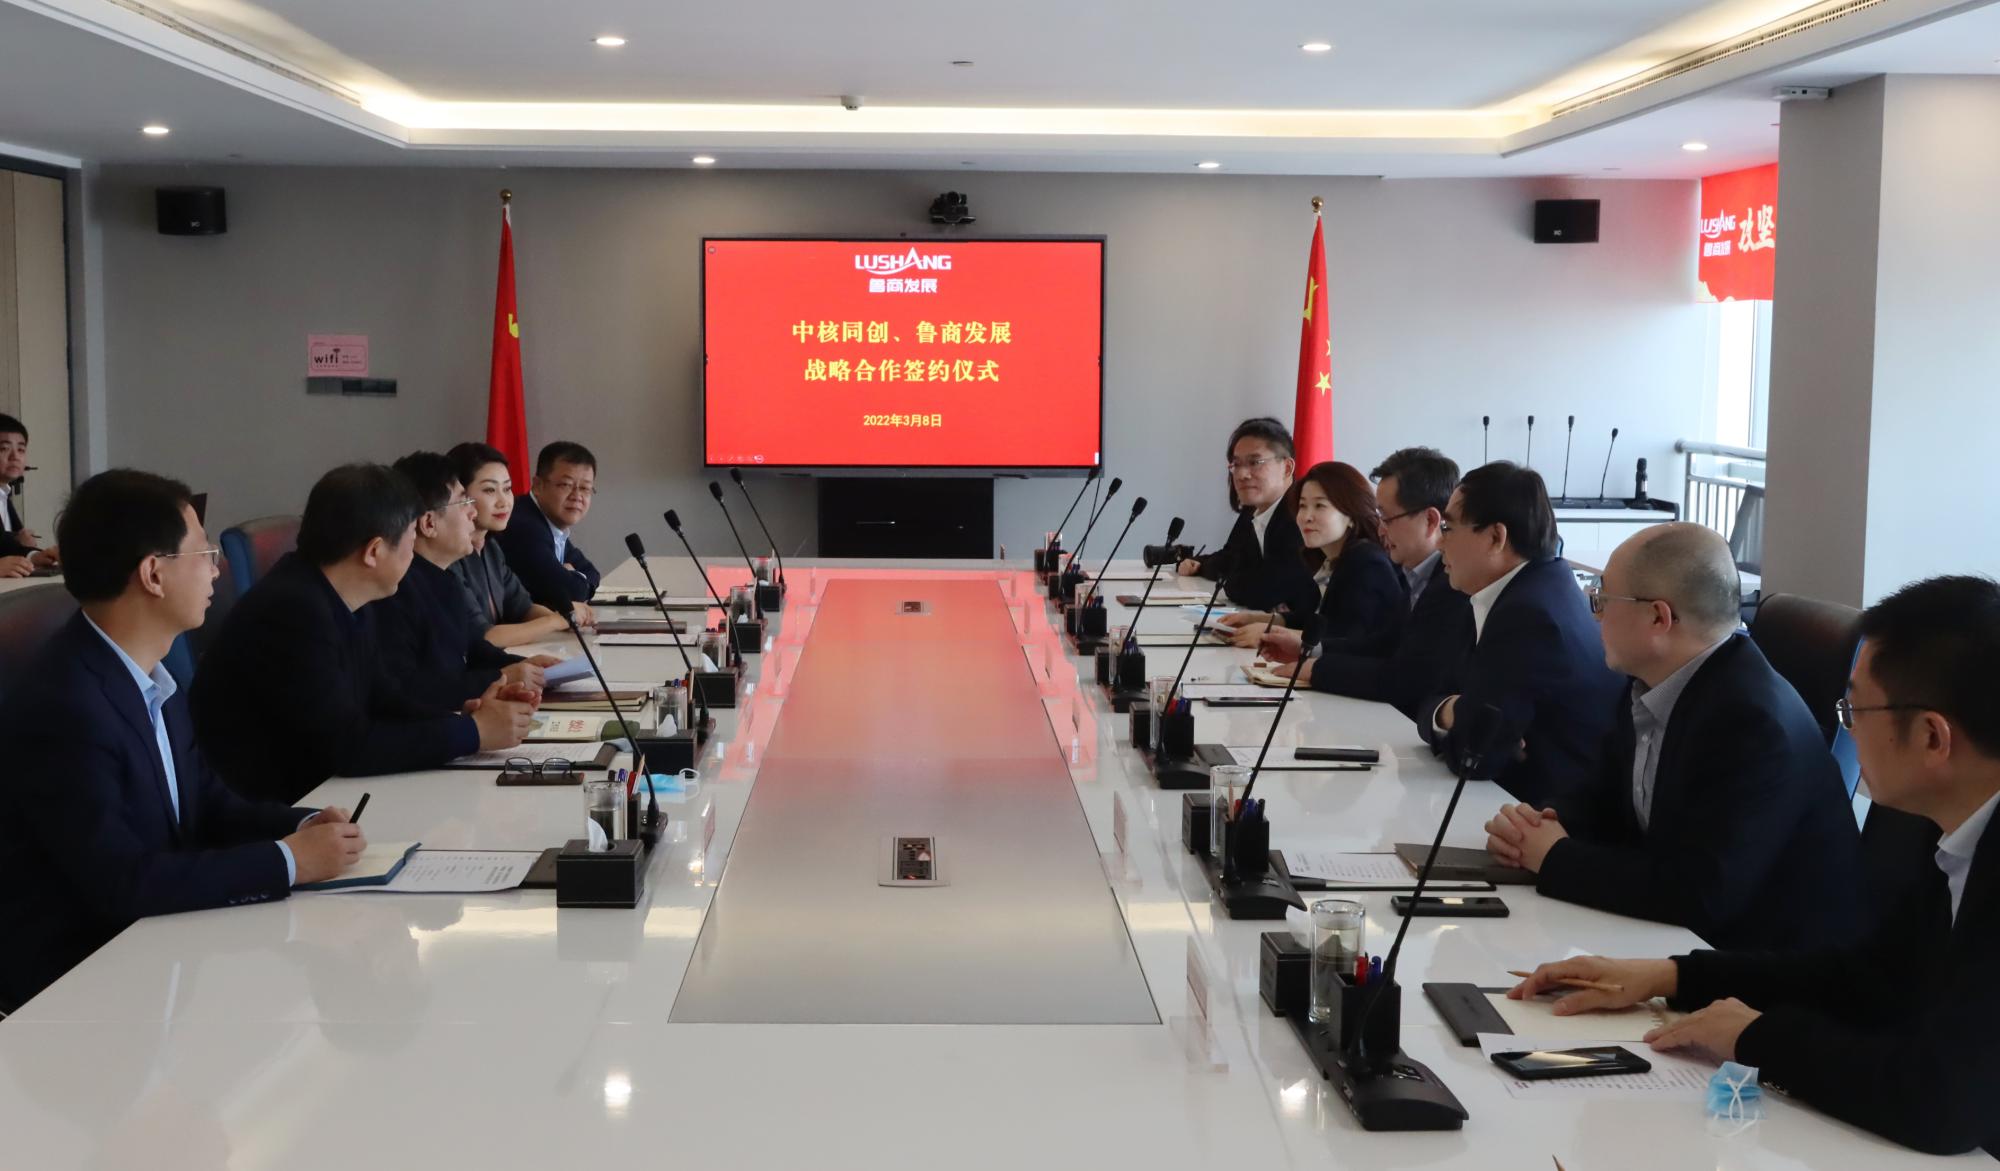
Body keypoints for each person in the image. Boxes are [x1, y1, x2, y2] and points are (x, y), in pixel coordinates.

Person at [1511, 575, 2000, 1157]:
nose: (1847, 727)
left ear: (1932, 738)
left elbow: (1940, 1104)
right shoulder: (1945, 824)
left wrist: (1755, 1038)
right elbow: (1870, 977)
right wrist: (1671, 977)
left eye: (1854, 709)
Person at [0, 470, 366, 1013]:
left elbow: (202, 804)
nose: (216, 568)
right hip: (79, 988)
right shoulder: (66, 704)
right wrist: (287, 862)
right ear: (153, 573)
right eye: (204, 552)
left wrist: (301, 826)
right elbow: (121, 881)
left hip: (157, 947)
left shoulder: (152, 674)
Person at [1484, 523, 1860, 949]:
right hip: (1672, 941)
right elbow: (1602, 800)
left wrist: (1553, 856)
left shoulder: (1750, 723)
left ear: (1658, 617)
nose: (1595, 614)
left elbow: (1700, 894)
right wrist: (1540, 824)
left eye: (1603, 598)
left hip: (1759, 963)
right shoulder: (1650, 682)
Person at [192, 464, 534, 804]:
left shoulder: (346, 596)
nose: (413, 552)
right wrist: (473, 733)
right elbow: (348, 747)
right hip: (275, 808)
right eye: (410, 538)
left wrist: (465, 719)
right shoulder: (293, 611)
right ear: (374, 552)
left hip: (323, 792)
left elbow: (384, 697)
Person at [1420, 461, 1623, 823]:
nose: (1437, 542)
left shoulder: (1528, 614)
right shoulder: (1536, 586)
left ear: (1495, 538)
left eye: (1448, 528)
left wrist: (1460, 716)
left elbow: (1474, 756)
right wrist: (1452, 709)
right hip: (1519, 801)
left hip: (1550, 815)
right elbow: (1442, 693)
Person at [374, 451, 556, 712]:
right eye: (464, 502)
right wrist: (502, 677)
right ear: (428, 523)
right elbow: (415, 689)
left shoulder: (444, 578)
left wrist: (520, 665)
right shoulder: (396, 592)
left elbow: (472, 647)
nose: (473, 512)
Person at [1308, 447, 1472, 715]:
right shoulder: (1412, 573)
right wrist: (1311, 649)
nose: (1380, 528)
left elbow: (1408, 678)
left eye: (1387, 518)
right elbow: (1385, 644)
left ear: (1431, 520)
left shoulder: (1453, 584)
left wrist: (1315, 669)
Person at [1221, 461, 1406, 684]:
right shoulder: (1330, 558)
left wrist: (1270, 631)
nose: (1306, 516)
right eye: (1302, 506)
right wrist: (1265, 619)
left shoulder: (1366, 562)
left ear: (1350, 514)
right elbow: (1321, 620)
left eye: (1319, 506)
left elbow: (1347, 638)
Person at [1176, 418, 1315, 615]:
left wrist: (1231, 579)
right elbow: (1229, 559)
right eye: (1236, 464)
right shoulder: (1252, 511)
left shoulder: (1301, 517)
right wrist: (1199, 564)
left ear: (1287, 468)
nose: (1241, 474)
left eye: (1255, 463)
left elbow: (1265, 592)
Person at [445, 441, 572, 647]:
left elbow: (523, 608)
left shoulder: (491, 547)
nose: (504, 501)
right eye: (489, 490)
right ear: (459, 494)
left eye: (507, 489)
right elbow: (483, 637)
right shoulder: (448, 556)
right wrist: (554, 622)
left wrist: (567, 620)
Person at [496, 440, 602, 613]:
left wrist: (574, 577)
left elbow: (592, 572)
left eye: (585, 488)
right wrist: (576, 579)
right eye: (566, 485)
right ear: (538, 486)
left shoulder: (550, 525)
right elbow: (570, 593)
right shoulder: (524, 527)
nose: (577, 496)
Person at [0, 413, 57, 577]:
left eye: (21, 449)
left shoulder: (4, 494)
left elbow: (4, 546)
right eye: (3, 449)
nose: (15, 457)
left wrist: (34, 556)